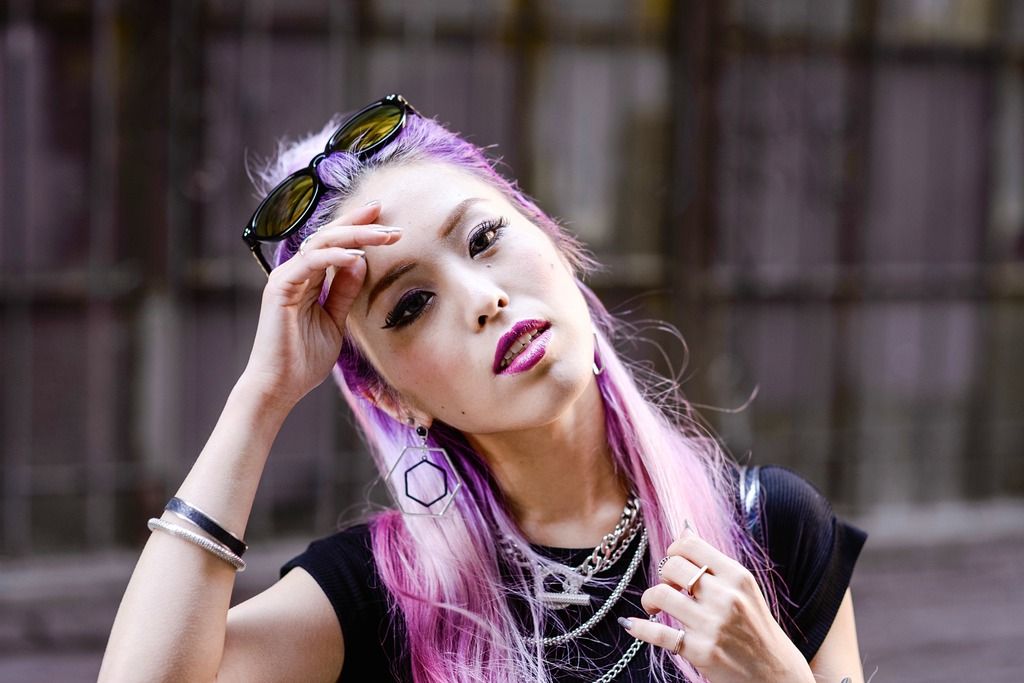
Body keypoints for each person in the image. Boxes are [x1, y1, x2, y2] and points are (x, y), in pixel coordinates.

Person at [100, 94, 868, 683]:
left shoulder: (766, 529)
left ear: (553, 241)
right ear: (392, 397)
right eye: (411, 304)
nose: (482, 298)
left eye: (484, 238)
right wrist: (260, 398)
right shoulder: (385, 596)